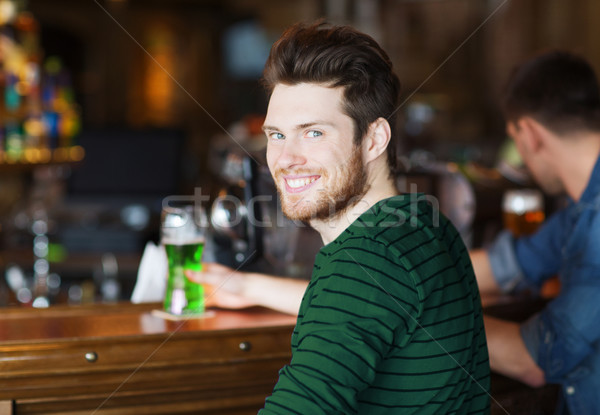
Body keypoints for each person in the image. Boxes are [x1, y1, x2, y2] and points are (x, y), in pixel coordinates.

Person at [190, 21, 490, 414]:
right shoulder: (424, 223)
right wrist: (246, 287)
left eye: (313, 133)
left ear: (374, 139)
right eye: (276, 135)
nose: (286, 159)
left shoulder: (364, 259)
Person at [470, 50, 600, 414]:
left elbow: (536, 360)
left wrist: (414, 310)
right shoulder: (580, 211)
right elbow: (504, 265)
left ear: (528, 134)